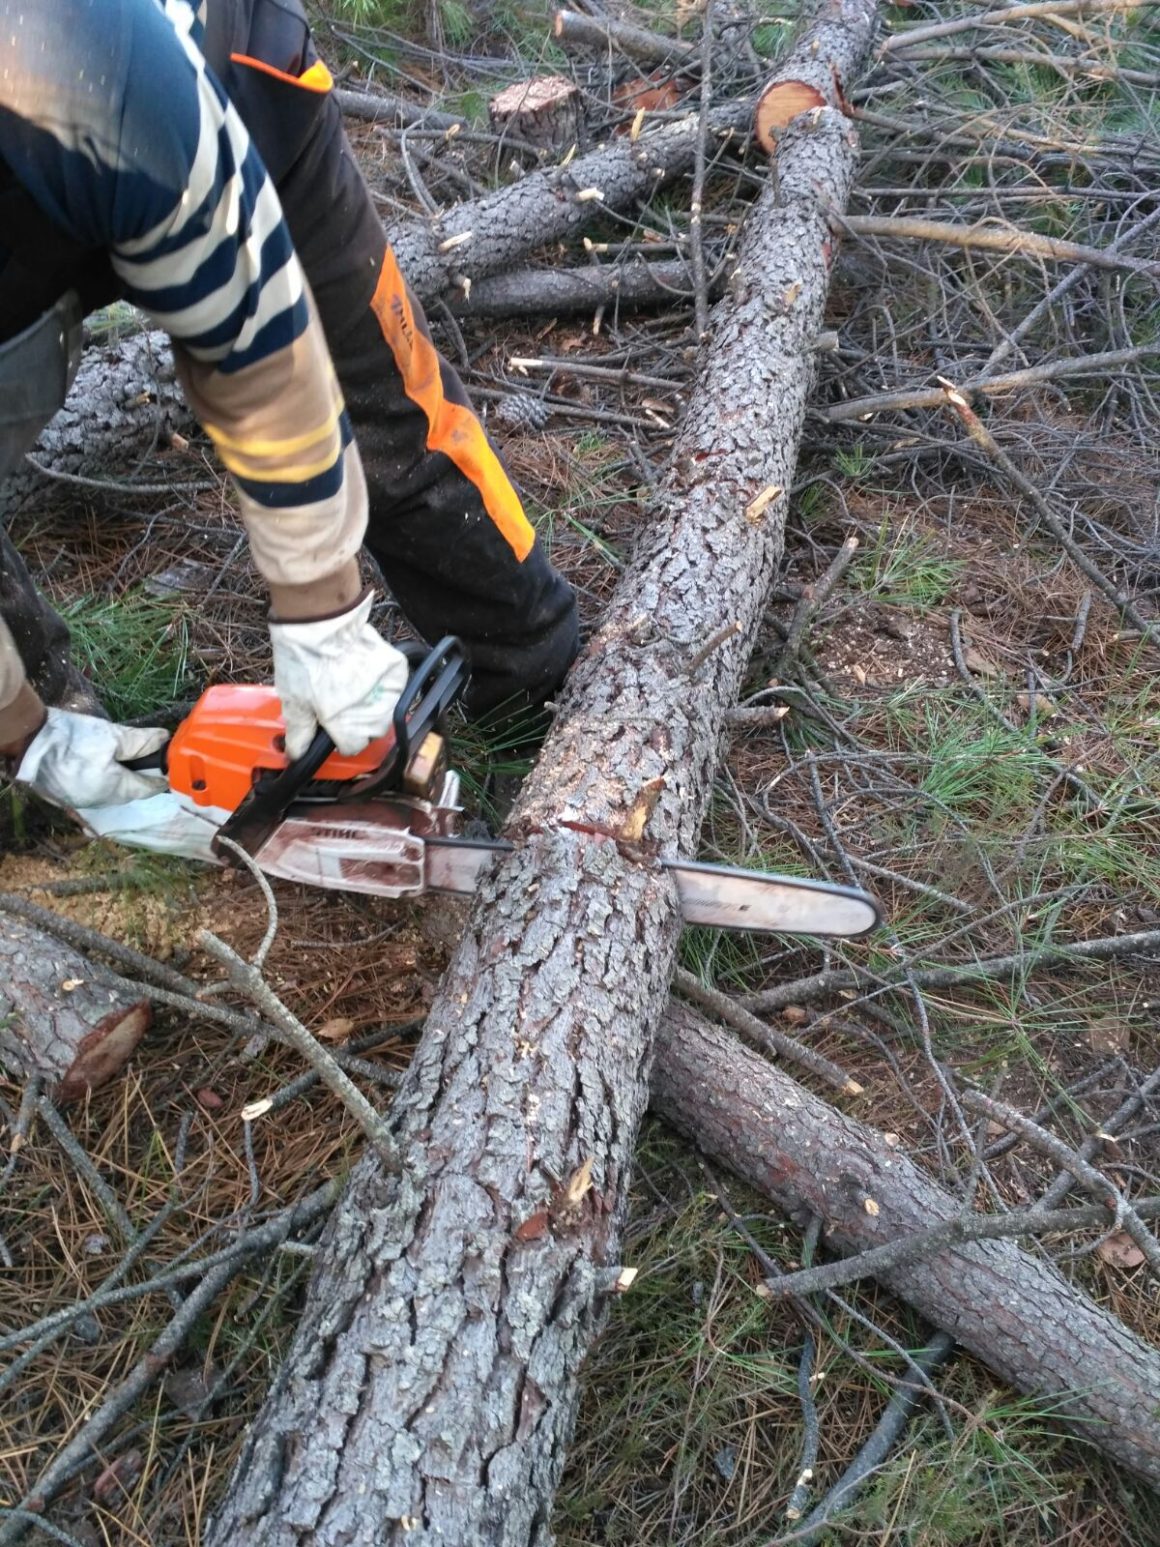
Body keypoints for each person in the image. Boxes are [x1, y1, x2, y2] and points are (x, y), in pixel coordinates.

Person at [0, 0, 578, 812]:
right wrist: (26, 732)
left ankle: (537, 675)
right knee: (30, 742)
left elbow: (259, 349)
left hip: (217, 86)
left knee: (377, 396)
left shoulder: (71, 55)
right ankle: (59, 768)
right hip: (58, 188)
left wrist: (320, 610)